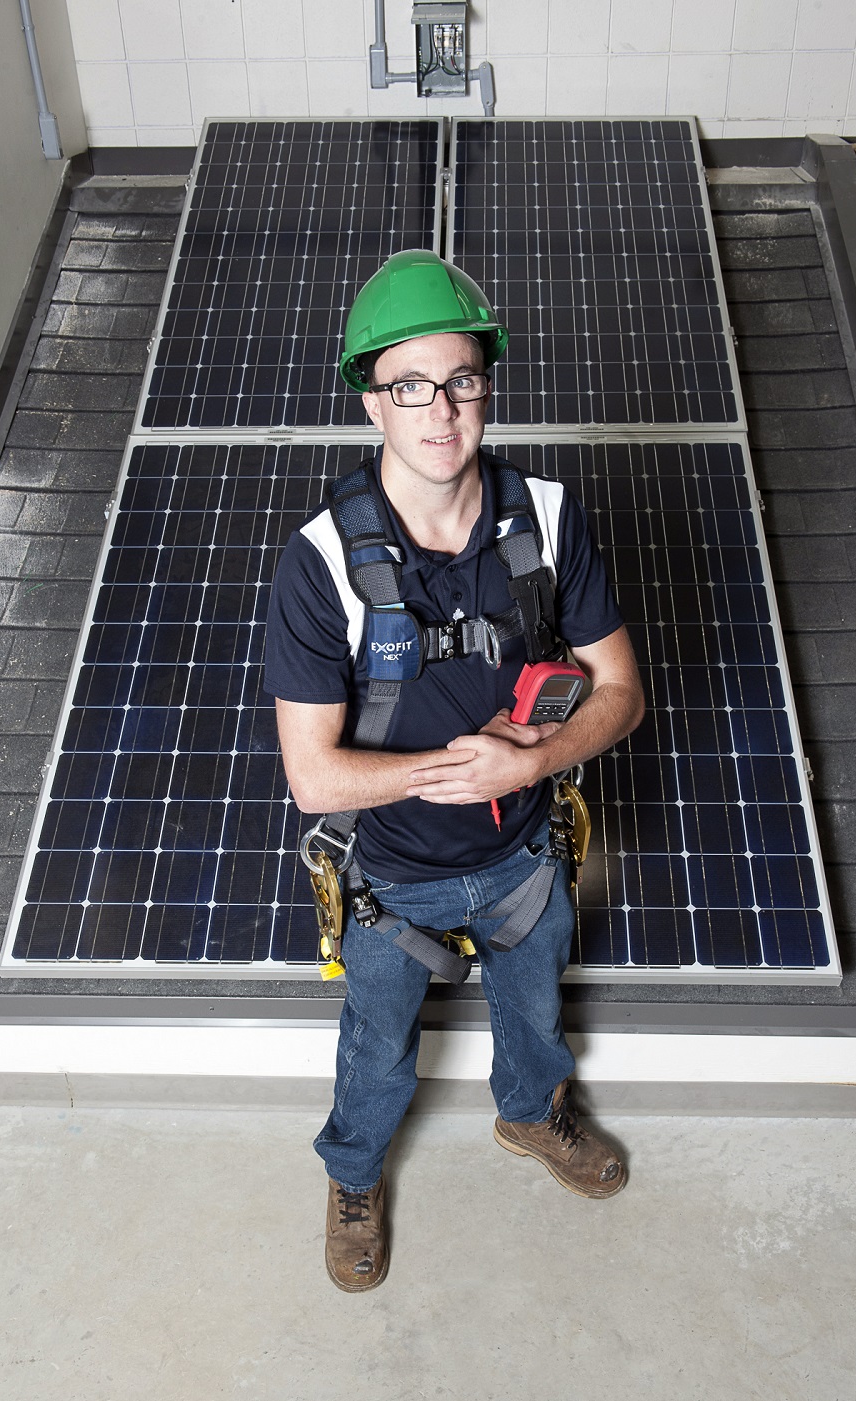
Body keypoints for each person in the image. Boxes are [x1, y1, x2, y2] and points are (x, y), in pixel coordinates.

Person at [264, 250, 644, 1292]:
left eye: (462, 380)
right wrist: (459, 769)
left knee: (534, 1015)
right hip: (393, 879)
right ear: (371, 401)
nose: (440, 410)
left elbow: (621, 692)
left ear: (487, 382)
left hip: (526, 856)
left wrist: (538, 756)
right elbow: (315, 781)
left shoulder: (547, 521)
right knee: (377, 1047)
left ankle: (531, 1115)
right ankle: (353, 1177)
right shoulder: (322, 566)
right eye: (410, 386)